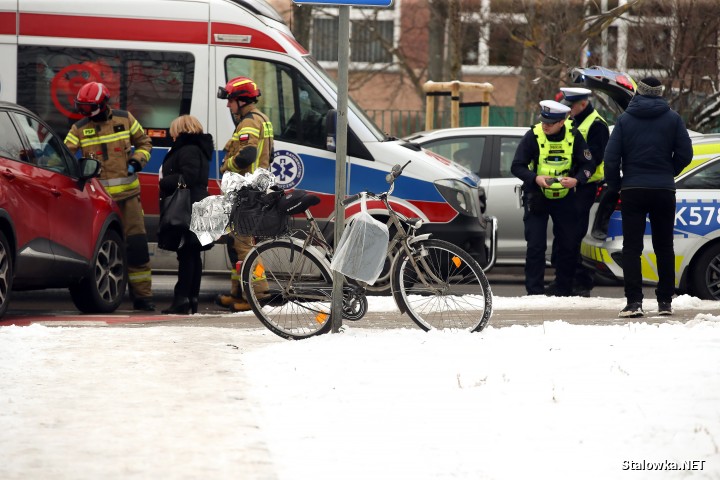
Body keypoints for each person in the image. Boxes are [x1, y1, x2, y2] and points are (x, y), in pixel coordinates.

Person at [604, 77, 692, 318]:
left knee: (632, 247)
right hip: (664, 191)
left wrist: (616, 185)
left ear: (639, 92)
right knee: (664, 246)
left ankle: (634, 302)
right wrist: (668, 172)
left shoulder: (624, 120)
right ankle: (665, 302)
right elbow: (686, 153)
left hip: (633, 189)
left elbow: (611, 159)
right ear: (659, 93)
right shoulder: (673, 119)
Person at [64, 82, 156, 311]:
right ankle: (105, 292)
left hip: (128, 198)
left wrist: (137, 161)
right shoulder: (79, 128)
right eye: (82, 108)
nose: (85, 112)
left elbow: (144, 143)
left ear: (103, 104)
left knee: (136, 247)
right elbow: (65, 154)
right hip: (98, 203)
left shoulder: (125, 119)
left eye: (89, 107)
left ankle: (143, 297)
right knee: (100, 250)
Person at [511, 100, 596, 297]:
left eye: (550, 122)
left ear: (562, 121)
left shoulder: (574, 136)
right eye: (543, 121)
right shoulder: (533, 135)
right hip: (538, 196)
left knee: (568, 244)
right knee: (535, 245)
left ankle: (563, 290)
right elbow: (517, 165)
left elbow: (589, 165)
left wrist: (577, 180)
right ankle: (535, 293)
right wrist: (535, 179)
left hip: (565, 198)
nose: (545, 125)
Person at [215, 76, 274, 312]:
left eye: (231, 100)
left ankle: (257, 295)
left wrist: (226, 165)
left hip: (247, 191)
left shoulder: (249, 122)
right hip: (251, 189)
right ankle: (238, 292)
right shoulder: (260, 119)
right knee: (236, 244)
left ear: (241, 100)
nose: (228, 105)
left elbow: (247, 156)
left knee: (245, 246)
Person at [553, 87, 610, 297]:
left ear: (583, 104)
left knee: (574, 235)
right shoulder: (573, 121)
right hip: (569, 185)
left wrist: (577, 177)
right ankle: (564, 281)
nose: (568, 111)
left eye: (572, 106)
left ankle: (580, 283)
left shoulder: (596, 125)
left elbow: (594, 159)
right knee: (564, 234)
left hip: (585, 187)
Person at [158, 115, 213, 314]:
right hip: (195, 205)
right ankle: (191, 298)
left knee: (187, 254)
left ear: (181, 129)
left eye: (173, 130)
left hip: (188, 207)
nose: (171, 134)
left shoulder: (188, 149)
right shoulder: (196, 148)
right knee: (192, 254)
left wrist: (165, 182)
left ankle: (182, 299)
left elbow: (188, 177)